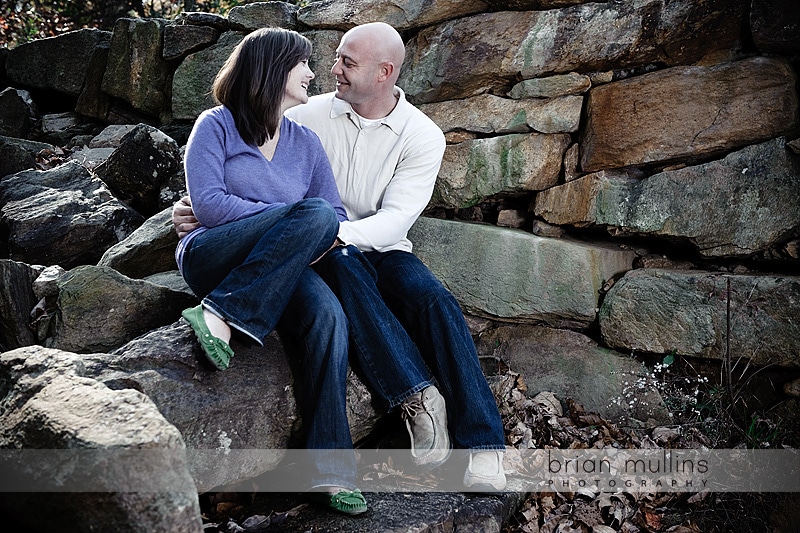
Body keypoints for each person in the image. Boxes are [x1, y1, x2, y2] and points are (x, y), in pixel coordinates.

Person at [174, 22, 507, 492]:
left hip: (377, 245)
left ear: (384, 73)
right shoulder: (306, 112)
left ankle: (485, 445)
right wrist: (192, 206)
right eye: (331, 60)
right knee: (339, 271)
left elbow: (393, 220)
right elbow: (228, 158)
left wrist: (323, 230)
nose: (331, 70)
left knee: (434, 300)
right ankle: (416, 396)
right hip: (319, 250)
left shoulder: (422, 136)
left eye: (346, 62)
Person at [176, 27, 368, 515]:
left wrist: (292, 224)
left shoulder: (305, 142)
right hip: (212, 256)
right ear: (271, 68)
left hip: (281, 265)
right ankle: (221, 307)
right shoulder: (214, 125)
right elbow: (210, 207)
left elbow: (333, 221)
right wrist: (287, 217)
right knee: (311, 215)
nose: (312, 72)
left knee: (328, 316)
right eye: (302, 63)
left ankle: (330, 470)